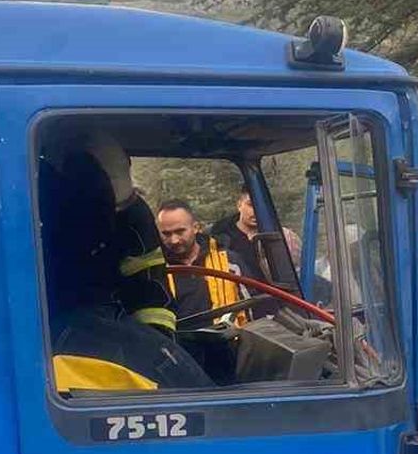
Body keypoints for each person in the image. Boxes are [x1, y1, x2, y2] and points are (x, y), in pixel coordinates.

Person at [40, 135, 210, 393]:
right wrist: (160, 360)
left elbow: (151, 287)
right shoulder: (48, 212)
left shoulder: (134, 217)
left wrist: (159, 343)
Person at [156, 199, 250, 325]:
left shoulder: (229, 262)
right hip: (180, 337)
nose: (174, 240)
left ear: (196, 228)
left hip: (229, 335)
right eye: (166, 234)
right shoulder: (157, 273)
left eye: (180, 232)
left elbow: (253, 307)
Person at [208, 186, 266, 281]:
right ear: (239, 205)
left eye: (261, 205)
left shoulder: (279, 235)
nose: (256, 211)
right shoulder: (221, 238)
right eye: (250, 205)